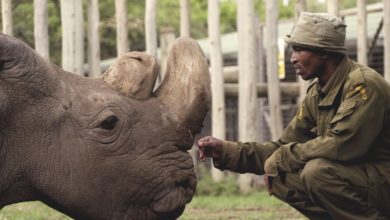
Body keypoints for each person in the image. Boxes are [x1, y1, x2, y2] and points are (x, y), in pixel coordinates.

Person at [197, 12, 390, 220]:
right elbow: (282, 146)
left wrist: (283, 156)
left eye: (299, 49)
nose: (293, 58)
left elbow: (341, 146)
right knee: (281, 177)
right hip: (360, 180)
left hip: (382, 177)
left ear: (323, 52)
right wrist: (227, 151)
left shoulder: (363, 85)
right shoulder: (317, 92)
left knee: (316, 172)